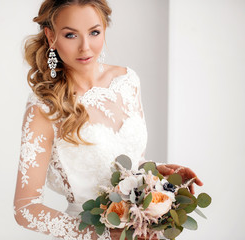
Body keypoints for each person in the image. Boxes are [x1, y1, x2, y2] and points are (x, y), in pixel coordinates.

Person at [13, 0, 203, 239]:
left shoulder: (127, 80)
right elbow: (25, 208)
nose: (85, 47)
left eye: (94, 32)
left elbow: (130, 163)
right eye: (71, 35)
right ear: (51, 37)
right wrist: (102, 233)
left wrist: (154, 174)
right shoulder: (44, 108)